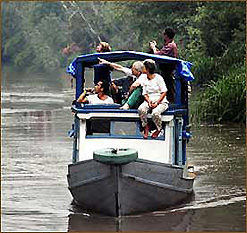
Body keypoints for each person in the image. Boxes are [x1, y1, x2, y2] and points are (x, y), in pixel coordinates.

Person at [138, 59, 169, 139]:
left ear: (148, 69)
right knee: (141, 109)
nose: (142, 69)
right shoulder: (144, 78)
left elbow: (164, 92)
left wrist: (157, 103)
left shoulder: (158, 78)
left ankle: (158, 128)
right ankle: (145, 127)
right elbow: (145, 93)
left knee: (155, 113)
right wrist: (148, 102)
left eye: (143, 67)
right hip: (149, 100)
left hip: (161, 101)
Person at [149, 28, 178, 103]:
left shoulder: (171, 46)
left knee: (168, 88)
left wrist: (153, 47)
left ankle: (171, 104)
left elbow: (157, 55)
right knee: (167, 88)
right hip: (166, 71)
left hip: (168, 72)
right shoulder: (169, 45)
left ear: (166, 36)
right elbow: (162, 53)